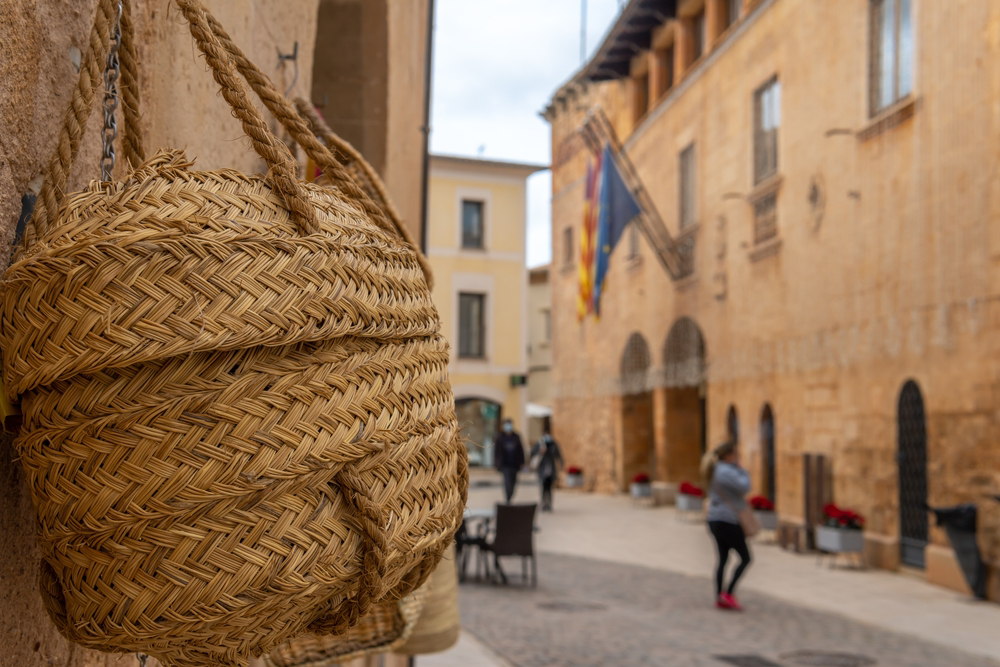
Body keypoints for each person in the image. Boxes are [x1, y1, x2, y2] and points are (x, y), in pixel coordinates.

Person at [701, 440, 752, 611]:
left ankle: (719, 596)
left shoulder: (716, 470)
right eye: (736, 454)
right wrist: (742, 470)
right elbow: (745, 487)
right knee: (745, 558)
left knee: (723, 559)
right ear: (729, 456)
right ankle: (728, 594)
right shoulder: (726, 471)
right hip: (727, 520)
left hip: (716, 519)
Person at [530, 426, 564, 511]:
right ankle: (543, 504)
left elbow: (558, 455)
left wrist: (562, 464)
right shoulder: (539, 444)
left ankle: (549, 504)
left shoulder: (553, 444)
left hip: (551, 470)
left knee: (549, 488)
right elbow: (532, 453)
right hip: (542, 470)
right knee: (543, 487)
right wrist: (540, 451)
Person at [494, 418, 524, 503]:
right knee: (507, 483)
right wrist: (497, 464)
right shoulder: (500, 437)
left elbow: (521, 450)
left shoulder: (516, 437)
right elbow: (497, 452)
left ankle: (510, 497)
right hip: (505, 465)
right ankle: (508, 499)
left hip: (515, 464)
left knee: (514, 482)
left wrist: (522, 462)